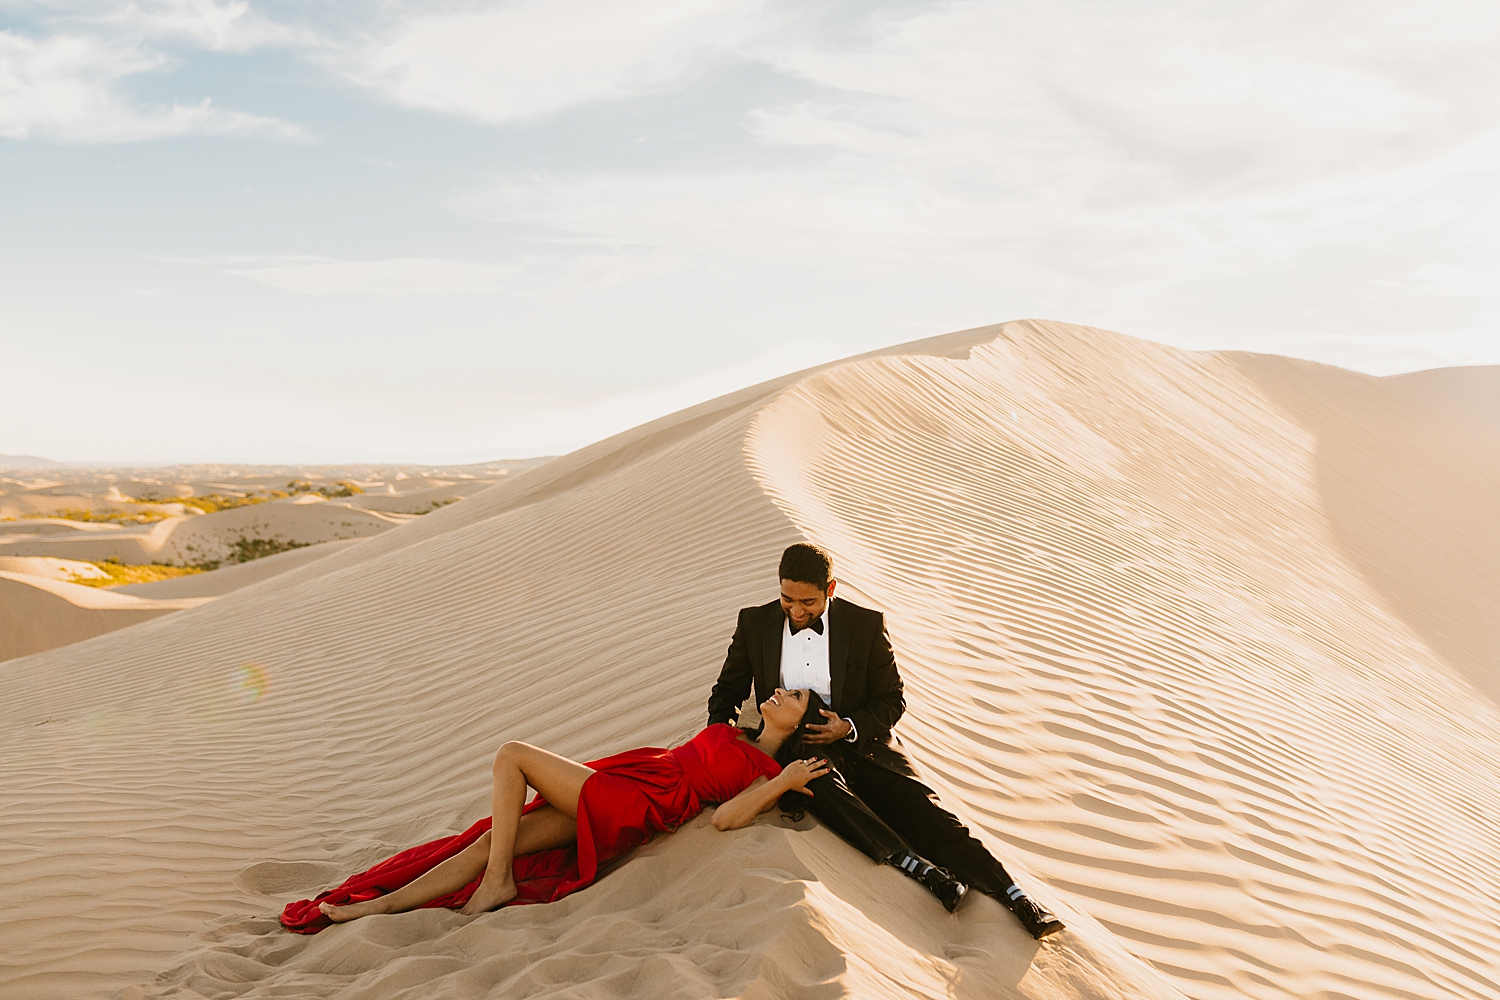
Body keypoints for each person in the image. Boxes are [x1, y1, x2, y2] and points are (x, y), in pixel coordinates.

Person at [707, 543, 1065, 939]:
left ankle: (1016, 897)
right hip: (802, 746)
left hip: (866, 744)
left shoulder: (864, 625)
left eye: (807, 601)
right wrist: (717, 742)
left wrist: (847, 726)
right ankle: (916, 867)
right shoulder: (755, 623)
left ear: (831, 589)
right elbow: (727, 691)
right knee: (822, 789)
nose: (795, 611)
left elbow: (892, 699)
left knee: (924, 811)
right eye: (786, 598)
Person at [280, 688, 829, 933]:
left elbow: (725, 819)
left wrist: (783, 779)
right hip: (629, 779)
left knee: (511, 755)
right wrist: (749, 720)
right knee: (495, 839)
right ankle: (382, 909)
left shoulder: (765, 774)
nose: (783, 692)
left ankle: (497, 886)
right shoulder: (739, 729)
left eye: (797, 697)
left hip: (636, 802)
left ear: (803, 725)